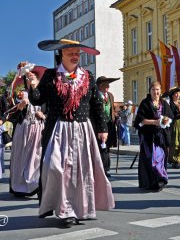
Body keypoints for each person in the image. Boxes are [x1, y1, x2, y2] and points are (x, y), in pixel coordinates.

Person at [28, 39, 115, 227]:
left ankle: (78, 209)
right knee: (56, 168)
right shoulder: (51, 75)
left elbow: (96, 105)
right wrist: (32, 85)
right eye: (71, 53)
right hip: (58, 130)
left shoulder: (88, 76)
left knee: (81, 172)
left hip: (82, 129)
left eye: (77, 52)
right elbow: (37, 100)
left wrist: (103, 128)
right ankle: (63, 208)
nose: (75, 56)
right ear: (61, 55)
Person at [10, 65, 46, 197]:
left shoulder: (43, 95)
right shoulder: (21, 95)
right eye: (29, 78)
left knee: (36, 157)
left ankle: (35, 185)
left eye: (34, 78)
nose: (32, 80)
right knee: (21, 156)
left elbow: (50, 110)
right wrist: (20, 108)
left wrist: (43, 115)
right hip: (24, 128)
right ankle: (20, 187)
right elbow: (11, 116)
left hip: (38, 129)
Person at [134, 81, 173, 191]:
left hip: (161, 136)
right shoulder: (145, 103)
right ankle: (152, 181)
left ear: (160, 91)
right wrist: (154, 122)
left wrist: (165, 121)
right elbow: (140, 120)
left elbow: (170, 117)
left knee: (161, 157)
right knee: (152, 158)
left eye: (158, 89)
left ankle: (160, 179)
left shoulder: (164, 103)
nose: (156, 92)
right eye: (153, 89)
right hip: (148, 136)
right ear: (150, 91)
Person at [96, 75, 120, 178]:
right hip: (99, 126)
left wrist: (115, 116)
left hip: (110, 125)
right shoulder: (95, 95)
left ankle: (105, 168)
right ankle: (100, 169)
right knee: (99, 148)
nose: (108, 86)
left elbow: (111, 110)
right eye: (106, 84)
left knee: (107, 147)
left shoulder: (110, 95)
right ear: (100, 85)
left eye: (108, 84)